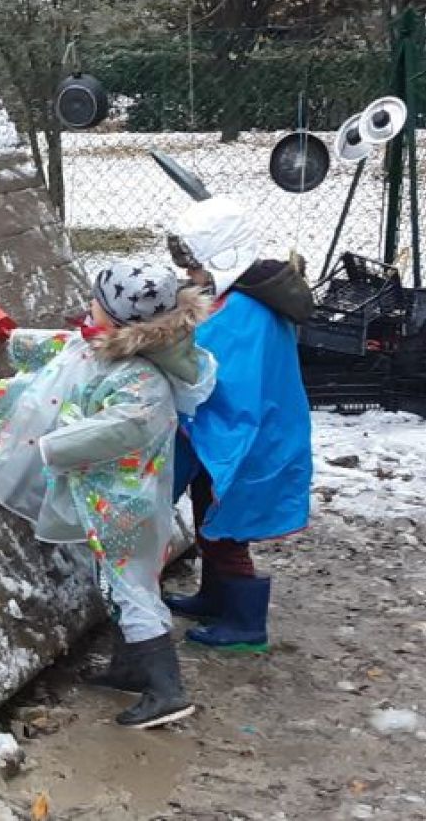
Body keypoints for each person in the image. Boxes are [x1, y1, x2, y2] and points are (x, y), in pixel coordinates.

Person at [0, 261, 215, 729]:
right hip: (108, 496)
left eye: (96, 302)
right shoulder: (110, 346)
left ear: (118, 316)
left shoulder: (140, 377)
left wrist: (51, 444)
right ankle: (129, 668)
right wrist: (8, 332)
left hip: (127, 501)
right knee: (118, 580)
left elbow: (119, 429)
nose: (89, 306)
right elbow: (64, 350)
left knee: (132, 586)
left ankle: (167, 690)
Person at [163, 197, 315, 653]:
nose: (191, 278)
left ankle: (246, 623)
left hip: (250, 440)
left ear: (222, 257)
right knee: (209, 507)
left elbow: (213, 370)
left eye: (196, 268)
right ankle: (215, 596)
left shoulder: (244, 312)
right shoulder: (248, 296)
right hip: (247, 434)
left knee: (227, 525)